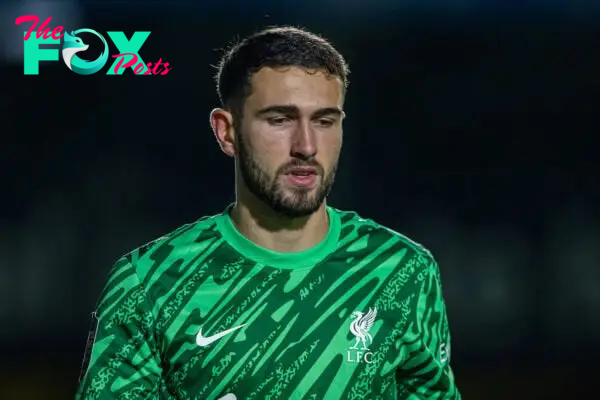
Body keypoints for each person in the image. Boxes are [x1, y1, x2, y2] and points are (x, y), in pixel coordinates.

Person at [75, 26, 461, 400]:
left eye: (325, 121)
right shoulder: (148, 282)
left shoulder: (403, 271)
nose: (306, 146)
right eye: (280, 120)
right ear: (226, 131)